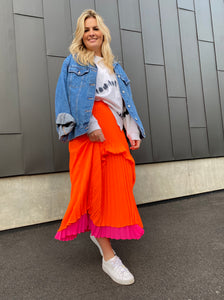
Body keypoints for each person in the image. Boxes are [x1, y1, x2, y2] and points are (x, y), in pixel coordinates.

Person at [55, 9, 146, 285]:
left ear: (102, 32)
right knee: (95, 189)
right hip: (90, 132)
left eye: (95, 27)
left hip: (115, 133)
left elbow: (122, 102)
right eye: (86, 29)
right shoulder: (72, 62)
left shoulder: (113, 66)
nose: (91, 32)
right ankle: (109, 257)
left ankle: (100, 234)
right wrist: (89, 124)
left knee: (120, 183)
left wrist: (132, 128)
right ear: (80, 35)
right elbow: (64, 98)